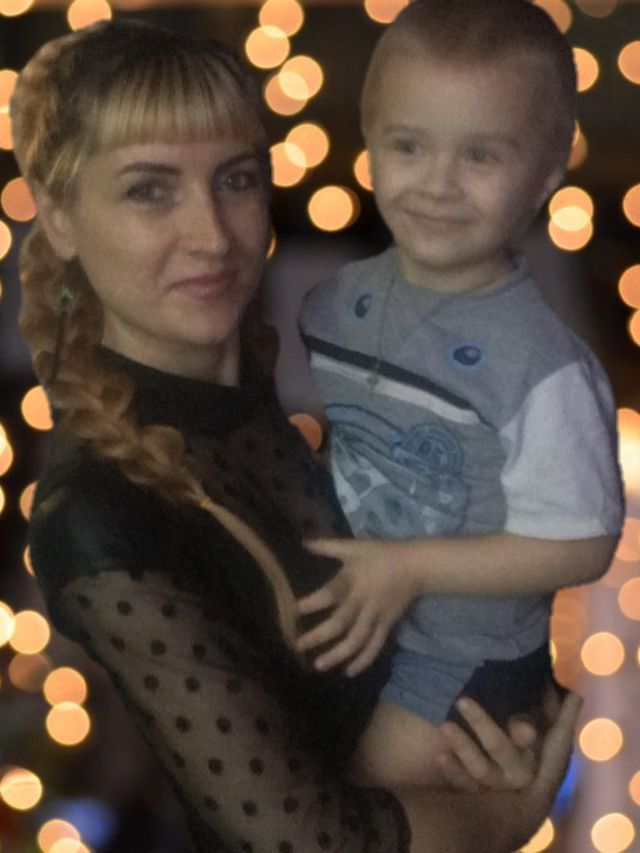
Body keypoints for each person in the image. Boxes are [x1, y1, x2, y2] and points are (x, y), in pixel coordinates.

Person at [13, 18, 580, 853]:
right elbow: (306, 842)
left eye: (236, 178)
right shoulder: (99, 513)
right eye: (150, 189)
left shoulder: (265, 405)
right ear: (60, 217)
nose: (213, 234)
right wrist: (504, 815)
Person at [298, 0, 624, 788]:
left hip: (464, 659)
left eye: (481, 156)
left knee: (363, 802)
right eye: (409, 146)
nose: (438, 184)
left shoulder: (540, 368)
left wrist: (409, 567)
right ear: (370, 145)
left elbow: (582, 542)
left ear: (546, 174)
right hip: (355, 618)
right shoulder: (336, 303)